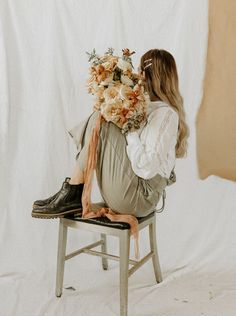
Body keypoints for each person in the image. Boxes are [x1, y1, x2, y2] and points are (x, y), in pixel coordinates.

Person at [31, 48, 189, 220]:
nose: (138, 76)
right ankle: (72, 191)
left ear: (147, 75)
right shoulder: (145, 106)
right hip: (125, 191)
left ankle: (73, 191)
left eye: (140, 71)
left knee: (102, 119)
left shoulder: (165, 115)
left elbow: (146, 167)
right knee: (102, 115)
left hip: (140, 198)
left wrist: (129, 128)